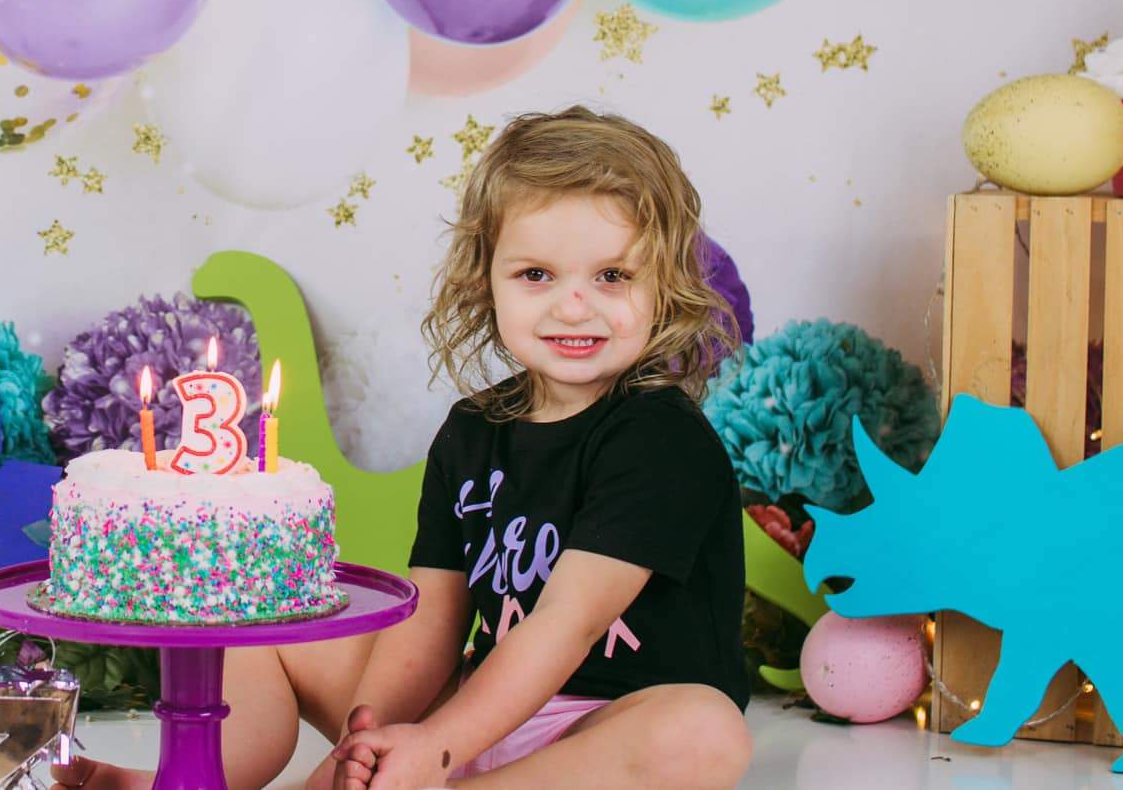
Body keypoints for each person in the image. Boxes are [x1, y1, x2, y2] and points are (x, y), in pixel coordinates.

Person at [59, 105, 753, 789]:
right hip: (475, 710)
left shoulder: (659, 436)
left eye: (612, 276)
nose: (574, 305)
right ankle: (196, 780)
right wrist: (367, 745)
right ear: (486, 280)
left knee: (703, 730)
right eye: (536, 275)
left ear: (665, 285)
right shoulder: (474, 431)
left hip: (596, 739)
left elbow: (565, 628)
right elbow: (431, 625)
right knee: (266, 624)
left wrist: (441, 749)